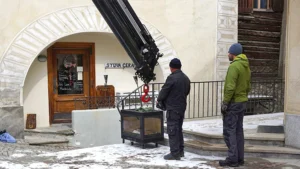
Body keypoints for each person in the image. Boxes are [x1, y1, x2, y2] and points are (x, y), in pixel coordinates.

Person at [219, 43, 251, 167]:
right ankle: (239, 158)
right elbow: (248, 86)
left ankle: (233, 158)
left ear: (233, 54)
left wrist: (225, 102)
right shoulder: (246, 66)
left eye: (229, 53)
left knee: (229, 131)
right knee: (238, 130)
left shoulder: (234, 66)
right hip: (242, 102)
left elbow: (230, 87)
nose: (228, 54)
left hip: (233, 102)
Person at [156, 58, 190, 160]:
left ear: (171, 67)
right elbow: (187, 91)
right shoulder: (186, 78)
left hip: (173, 108)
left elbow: (164, 91)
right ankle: (180, 151)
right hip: (181, 107)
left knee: (172, 130)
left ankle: (174, 153)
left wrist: (159, 99)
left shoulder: (172, 78)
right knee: (178, 129)